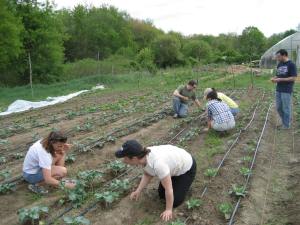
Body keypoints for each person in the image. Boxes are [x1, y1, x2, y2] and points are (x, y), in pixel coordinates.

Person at [115, 140, 196, 222]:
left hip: (186, 169)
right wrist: (138, 191)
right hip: (171, 169)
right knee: (161, 194)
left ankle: (185, 185)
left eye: (125, 158)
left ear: (134, 158)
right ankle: (177, 183)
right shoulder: (144, 157)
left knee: (175, 201)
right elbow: (147, 174)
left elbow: (168, 189)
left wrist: (168, 210)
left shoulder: (158, 164)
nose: (124, 161)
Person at [271, 49, 297, 129]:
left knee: (286, 108)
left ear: (284, 55)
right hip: (278, 89)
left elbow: (293, 78)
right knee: (279, 107)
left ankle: (286, 125)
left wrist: (280, 80)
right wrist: (274, 78)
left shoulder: (291, 64)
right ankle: (285, 121)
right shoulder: (280, 64)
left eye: (279, 56)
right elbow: (278, 75)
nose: (277, 58)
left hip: (286, 89)